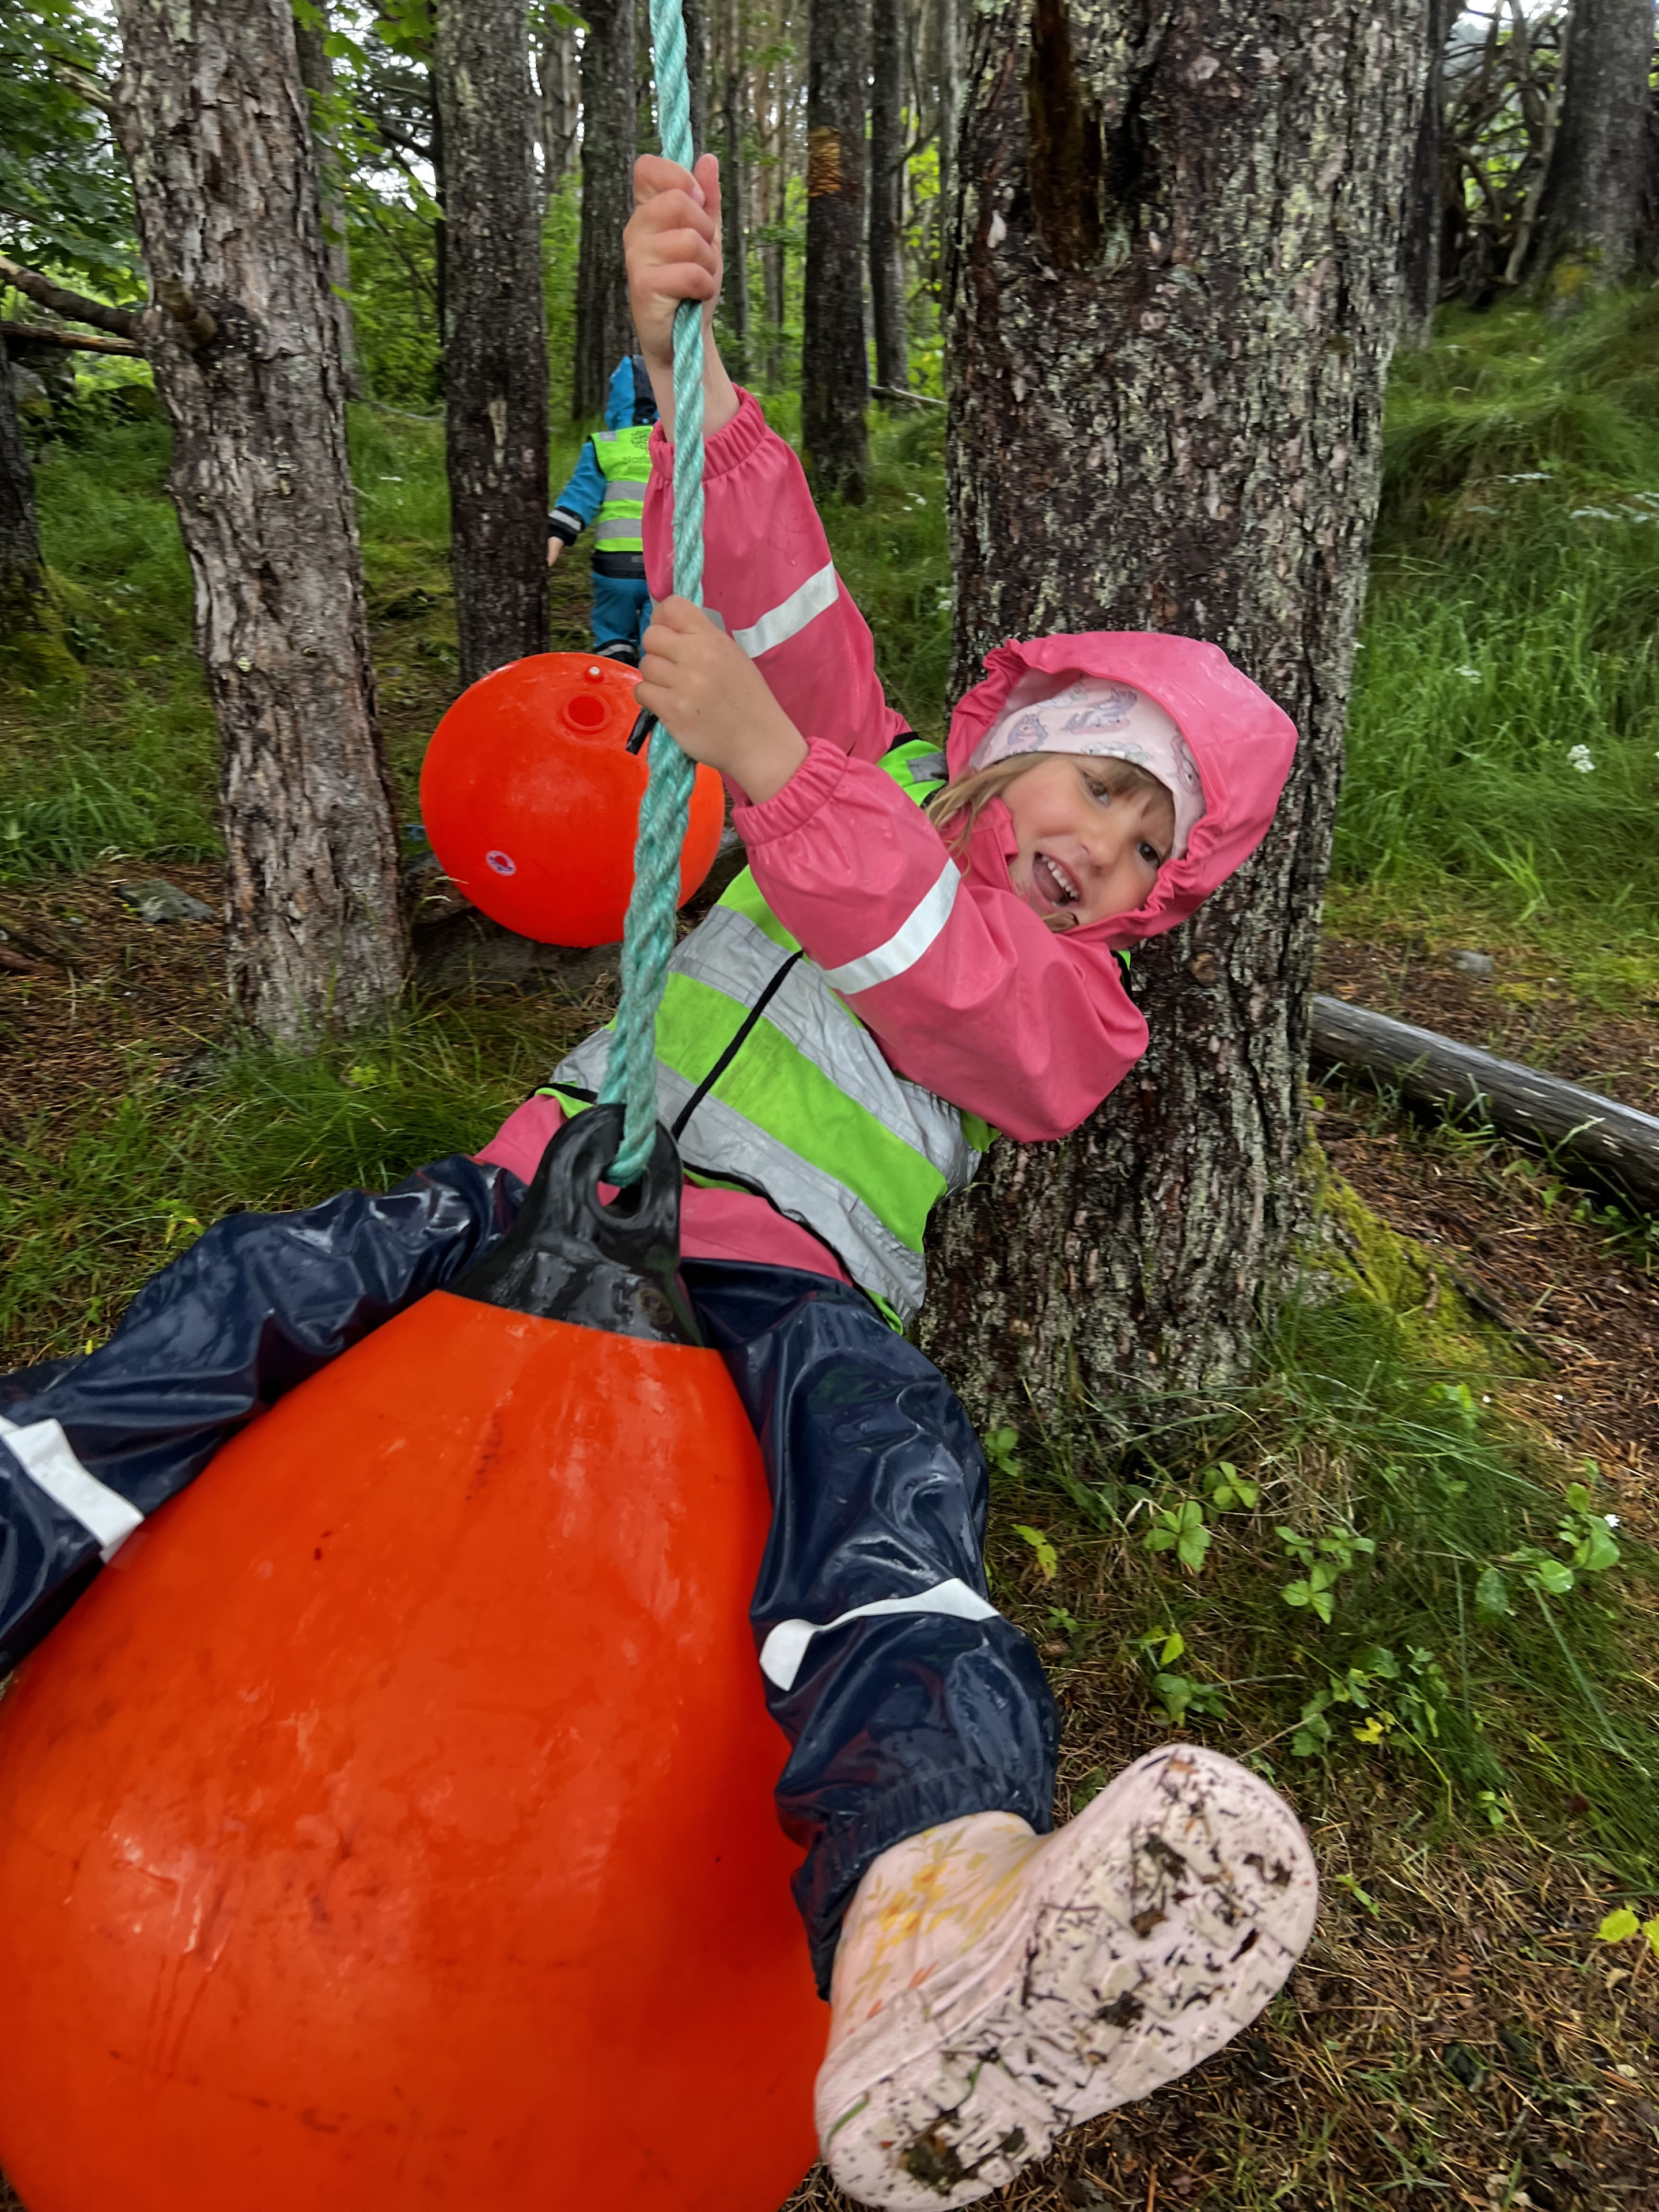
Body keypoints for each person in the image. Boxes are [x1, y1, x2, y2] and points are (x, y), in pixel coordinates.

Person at [0, 156, 1317, 2211]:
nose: (1109, 860)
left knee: (889, 1505)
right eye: (1103, 791)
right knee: (247, 1294)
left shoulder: (1074, 1005)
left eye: (1157, 858)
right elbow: (771, 597)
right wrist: (676, 354)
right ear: (1022, 741)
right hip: (540, 1177)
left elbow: (934, 975)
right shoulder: (872, 756)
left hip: (791, 1291)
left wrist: (775, 771)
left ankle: (936, 1916)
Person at [547, 351, 658, 665]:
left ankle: (616, 670)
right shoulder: (679, 446)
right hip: (666, 570)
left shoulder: (604, 445)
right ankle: (651, 686)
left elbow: (580, 495)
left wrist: (557, 535)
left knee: (612, 631)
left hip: (614, 567)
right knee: (659, 642)